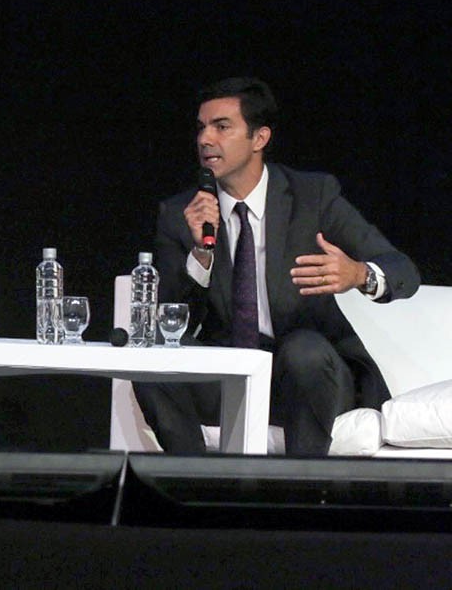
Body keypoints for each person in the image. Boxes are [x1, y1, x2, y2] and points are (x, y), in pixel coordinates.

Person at [133, 77, 420, 456]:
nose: (205, 139)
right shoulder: (180, 214)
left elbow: (403, 271)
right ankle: (197, 480)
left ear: (260, 138)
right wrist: (201, 254)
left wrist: (358, 274)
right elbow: (166, 319)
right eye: (201, 128)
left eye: (221, 127)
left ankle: (302, 485)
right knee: (150, 362)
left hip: (310, 379)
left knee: (303, 350)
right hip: (229, 377)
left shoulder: (312, 196)